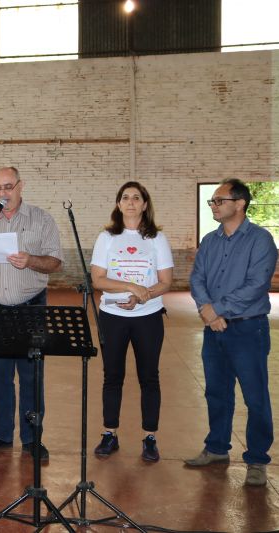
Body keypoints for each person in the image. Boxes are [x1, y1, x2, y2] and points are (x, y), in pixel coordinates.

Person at [0, 166, 63, 458]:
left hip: (31, 308)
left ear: (20, 186)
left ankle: (31, 439)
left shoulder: (41, 219)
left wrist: (30, 260)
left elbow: (55, 262)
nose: (3, 193)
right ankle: (1, 433)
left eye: (8, 186)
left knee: (31, 376)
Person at [185, 178, 278, 487]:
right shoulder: (210, 241)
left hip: (248, 329)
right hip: (214, 330)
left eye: (219, 200)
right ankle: (216, 448)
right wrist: (207, 310)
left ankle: (257, 459)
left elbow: (257, 284)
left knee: (255, 396)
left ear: (240, 204)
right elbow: (197, 278)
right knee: (216, 391)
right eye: (212, 201)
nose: (213, 205)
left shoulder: (260, 240)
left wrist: (217, 310)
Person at [89, 182, 173, 462]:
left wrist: (141, 296)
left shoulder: (156, 238)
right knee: (112, 376)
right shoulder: (107, 238)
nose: (131, 202)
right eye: (125, 197)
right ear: (118, 204)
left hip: (148, 317)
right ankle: (109, 434)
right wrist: (130, 286)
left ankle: (150, 437)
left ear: (145, 204)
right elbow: (98, 280)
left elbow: (165, 282)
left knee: (149, 377)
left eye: (137, 198)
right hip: (112, 317)